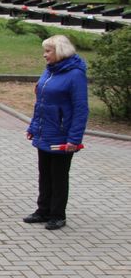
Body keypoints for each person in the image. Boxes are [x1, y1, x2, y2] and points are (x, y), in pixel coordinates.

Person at [24, 35, 89, 231]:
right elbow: (41, 104)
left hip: (62, 136)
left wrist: (74, 139)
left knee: (59, 176)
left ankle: (57, 214)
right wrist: (33, 128)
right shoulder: (50, 71)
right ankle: (42, 210)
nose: (44, 55)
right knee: (44, 174)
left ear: (60, 51)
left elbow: (81, 108)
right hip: (45, 133)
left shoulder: (75, 75)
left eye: (48, 51)